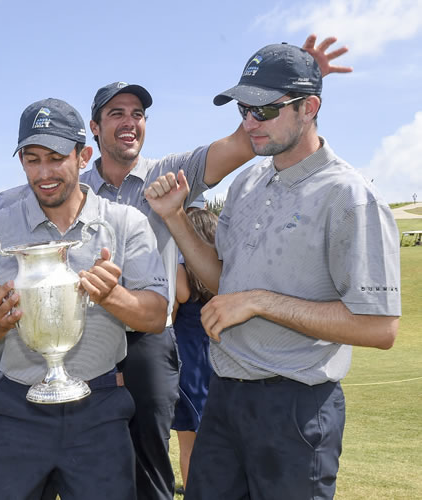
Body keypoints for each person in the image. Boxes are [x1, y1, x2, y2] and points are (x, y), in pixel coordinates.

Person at [0, 35, 351, 500]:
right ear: (91, 134)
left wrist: (296, 80)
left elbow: (243, 141)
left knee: (152, 445)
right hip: (81, 334)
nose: (129, 121)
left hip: (148, 329)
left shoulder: (170, 173)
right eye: (116, 113)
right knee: (76, 446)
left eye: (138, 113)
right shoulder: (68, 179)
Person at [145, 42, 401, 499]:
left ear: (310, 108)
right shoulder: (247, 181)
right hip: (224, 397)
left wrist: (261, 302)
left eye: (265, 109)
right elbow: (226, 282)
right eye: (245, 108)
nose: (250, 122)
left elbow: (380, 326)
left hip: (296, 407)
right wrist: (175, 219)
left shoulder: (350, 196)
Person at [0, 98, 168, 499]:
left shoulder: (124, 223)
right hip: (15, 409)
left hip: (100, 411)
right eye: (31, 159)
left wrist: (113, 296)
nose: (43, 173)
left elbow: (156, 316)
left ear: (83, 154)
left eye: (56, 158)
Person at [170, 207, 217, 496]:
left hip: (188, 364)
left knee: (188, 446)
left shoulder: (180, 270)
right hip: (218, 360)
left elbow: (172, 310)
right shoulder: (221, 274)